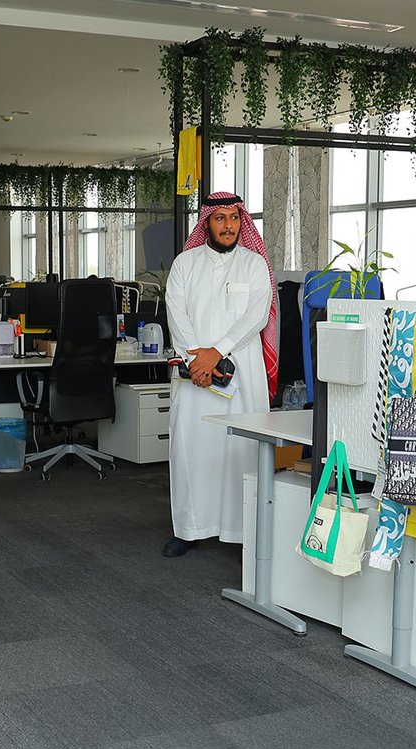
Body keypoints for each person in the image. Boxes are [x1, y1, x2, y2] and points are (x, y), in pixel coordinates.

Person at [161, 191, 279, 558]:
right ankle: (189, 529)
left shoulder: (254, 264)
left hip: (241, 375)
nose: (228, 225)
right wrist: (196, 360)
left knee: (241, 451)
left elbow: (256, 315)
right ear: (207, 223)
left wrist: (216, 352)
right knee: (190, 450)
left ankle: (242, 530)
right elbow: (176, 313)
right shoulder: (185, 263)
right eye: (220, 218)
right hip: (193, 373)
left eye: (233, 218)